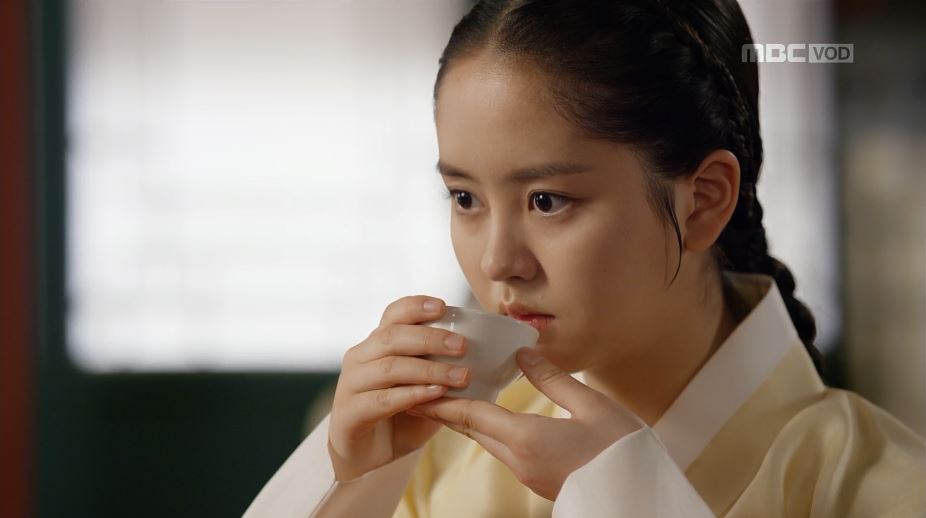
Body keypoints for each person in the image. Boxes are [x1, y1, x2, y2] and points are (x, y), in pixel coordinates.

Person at [243, 0, 926, 516]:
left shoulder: (881, 488)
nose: (498, 262)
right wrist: (348, 481)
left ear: (703, 201)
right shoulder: (434, 450)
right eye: (465, 197)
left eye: (547, 201)